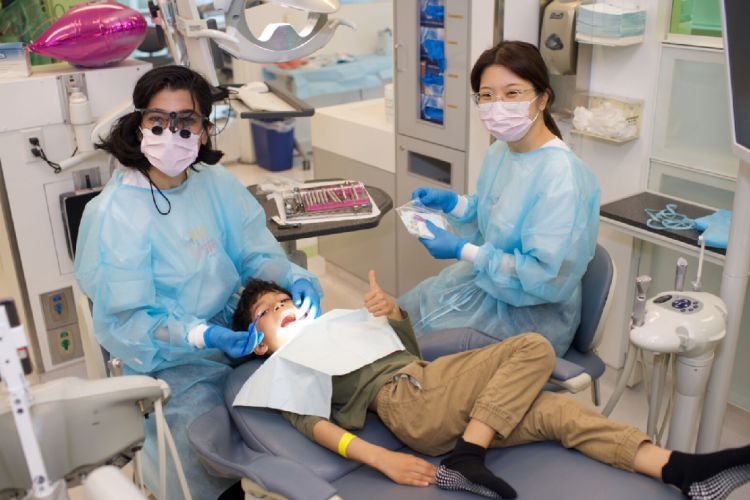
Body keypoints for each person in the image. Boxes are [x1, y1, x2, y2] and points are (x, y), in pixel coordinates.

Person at [232, 273, 750, 500]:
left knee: (557, 414)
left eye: (286, 302)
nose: (283, 311)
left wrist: (393, 314)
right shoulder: (283, 369)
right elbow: (317, 427)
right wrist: (380, 459)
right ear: (257, 341)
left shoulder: (333, 325)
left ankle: (682, 472)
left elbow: (406, 351)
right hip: (409, 403)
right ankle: (467, 456)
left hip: (432, 393)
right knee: (533, 349)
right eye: (268, 312)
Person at [74, 65, 322, 499]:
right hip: (171, 360)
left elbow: (254, 252)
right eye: (158, 121)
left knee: (308, 398)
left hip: (239, 327)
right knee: (208, 443)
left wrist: (293, 277)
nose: (171, 132)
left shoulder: (216, 184)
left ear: (205, 131)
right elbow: (127, 321)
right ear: (139, 127)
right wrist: (200, 334)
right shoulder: (116, 214)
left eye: (185, 121)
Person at [398, 41, 600, 356]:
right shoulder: (502, 150)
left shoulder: (562, 177)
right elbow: (495, 211)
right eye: (487, 95)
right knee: (399, 318)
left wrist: (461, 249)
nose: (497, 105)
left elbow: (542, 275)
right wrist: (454, 204)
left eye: (512, 93)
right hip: (488, 287)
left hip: (530, 318)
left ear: (542, 98)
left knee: (413, 347)